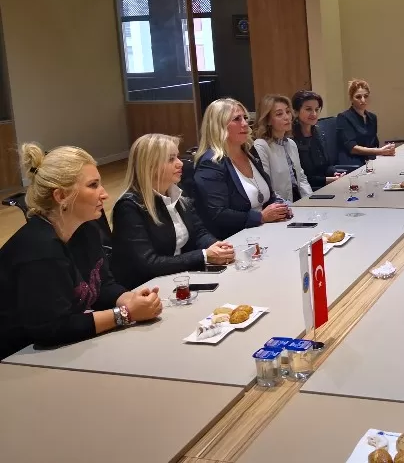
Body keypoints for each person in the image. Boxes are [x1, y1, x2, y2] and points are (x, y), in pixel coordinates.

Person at [0, 144, 162, 360]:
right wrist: (125, 314)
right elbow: (52, 329)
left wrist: (129, 299)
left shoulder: (86, 229)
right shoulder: (40, 249)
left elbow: (102, 285)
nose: (104, 194)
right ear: (61, 196)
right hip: (17, 360)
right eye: (93, 185)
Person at [111, 134, 235, 289]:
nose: (180, 163)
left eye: (177, 156)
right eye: (171, 159)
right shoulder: (129, 207)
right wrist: (203, 255)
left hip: (178, 277)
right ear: (150, 166)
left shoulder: (177, 192)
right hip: (147, 288)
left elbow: (199, 232)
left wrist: (217, 246)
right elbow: (148, 263)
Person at [193, 98, 291, 240]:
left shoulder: (249, 153)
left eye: (245, 118)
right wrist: (261, 217)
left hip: (265, 232)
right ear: (218, 126)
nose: (245, 124)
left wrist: (280, 209)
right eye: (237, 119)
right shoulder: (211, 163)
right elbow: (218, 214)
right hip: (235, 239)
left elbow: (268, 195)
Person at [253, 94, 313, 202]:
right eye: (279, 114)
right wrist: (287, 206)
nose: (287, 117)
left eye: (288, 112)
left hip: (298, 199)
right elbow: (266, 187)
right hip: (279, 204)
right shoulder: (261, 146)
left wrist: (310, 200)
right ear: (268, 120)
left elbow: (301, 178)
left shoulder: (291, 143)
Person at [291, 90, 346, 191]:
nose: (314, 114)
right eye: (308, 109)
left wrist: (334, 173)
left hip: (326, 185)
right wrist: (328, 180)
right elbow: (302, 178)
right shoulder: (291, 140)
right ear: (296, 111)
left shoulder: (319, 133)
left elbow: (326, 165)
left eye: (317, 109)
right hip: (308, 191)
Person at [336, 79, 395, 167]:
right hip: (354, 163)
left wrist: (386, 149)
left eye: (366, 96)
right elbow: (352, 148)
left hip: (371, 160)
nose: (363, 100)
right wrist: (380, 151)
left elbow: (374, 144)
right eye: (358, 97)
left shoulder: (372, 117)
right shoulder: (343, 117)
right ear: (351, 98)